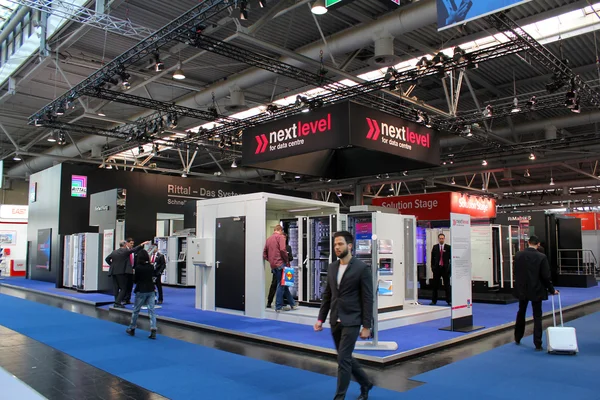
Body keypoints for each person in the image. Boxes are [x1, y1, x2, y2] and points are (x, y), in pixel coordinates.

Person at [314, 231, 374, 400]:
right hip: (335, 320)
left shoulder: (361, 268)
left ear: (349, 246)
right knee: (344, 357)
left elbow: (368, 299)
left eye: (340, 244)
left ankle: (339, 397)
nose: (337, 247)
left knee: (343, 360)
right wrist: (320, 319)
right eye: (335, 245)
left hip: (352, 320)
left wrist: (367, 326)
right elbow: (328, 295)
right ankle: (366, 383)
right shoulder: (333, 267)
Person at [513, 235, 559, 351]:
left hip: (522, 289)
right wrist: (552, 290)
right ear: (538, 244)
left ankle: (517, 337)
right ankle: (537, 343)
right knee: (537, 316)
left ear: (528, 243)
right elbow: (546, 276)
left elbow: (515, 272)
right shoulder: (542, 257)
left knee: (521, 312)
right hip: (537, 290)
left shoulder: (518, 255)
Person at [105, 240, 149, 308]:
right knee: (123, 288)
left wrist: (112, 265)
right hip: (122, 272)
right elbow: (135, 249)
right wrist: (142, 244)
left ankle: (117, 302)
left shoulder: (114, 251)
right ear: (125, 245)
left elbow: (107, 259)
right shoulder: (125, 251)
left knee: (116, 288)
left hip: (113, 272)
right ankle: (117, 303)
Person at [263, 225, 297, 312]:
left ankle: (292, 304)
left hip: (273, 266)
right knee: (281, 285)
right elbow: (282, 250)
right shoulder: (281, 237)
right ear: (280, 230)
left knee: (284, 284)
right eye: (282, 231)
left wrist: (271, 260)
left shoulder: (268, 239)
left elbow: (264, 254)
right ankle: (278, 306)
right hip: (281, 264)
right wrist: (286, 260)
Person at [126, 249, 158, 340]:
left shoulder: (138, 268)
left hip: (141, 290)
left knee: (136, 310)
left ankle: (132, 327)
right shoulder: (151, 267)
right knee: (151, 310)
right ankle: (153, 328)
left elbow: (135, 280)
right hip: (151, 289)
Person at [267, 232, 294, 308]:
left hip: (286, 269)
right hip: (279, 267)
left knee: (285, 286)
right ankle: (271, 302)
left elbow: (291, 258)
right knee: (275, 285)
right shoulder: (277, 247)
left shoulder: (288, 247)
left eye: (285, 238)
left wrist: (286, 258)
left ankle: (286, 303)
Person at [430, 233, 451, 306]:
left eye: (442, 238)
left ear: (444, 239)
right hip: (437, 269)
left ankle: (449, 300)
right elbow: (432, 258)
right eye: (440, 238)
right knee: (435, 285)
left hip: (445, 269)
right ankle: (434, 301)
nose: (441, 239)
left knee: (447, 285)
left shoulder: (448, 247)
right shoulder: (435, 247)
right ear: (438, 239)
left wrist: (449, 268)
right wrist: (433, 267)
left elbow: (451, 258)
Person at [123, 238, 137, 304]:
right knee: (125, 285)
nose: (132, 245)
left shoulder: (133, 251)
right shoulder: (124, 251)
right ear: (127, 243)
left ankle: (128, 299)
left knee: (130, 285)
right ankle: (124, 298)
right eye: (131, 243)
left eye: (133, 244)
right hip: (125, 271)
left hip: (132, 270)